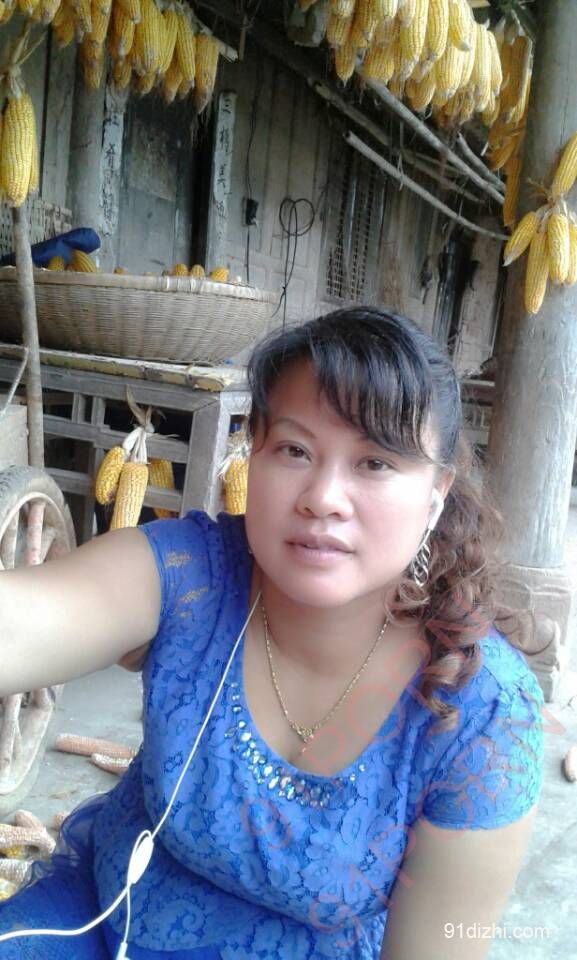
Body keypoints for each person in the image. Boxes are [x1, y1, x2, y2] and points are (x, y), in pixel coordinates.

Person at [0, 306, 544, 960]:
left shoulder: (481, 713)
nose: (323, 497)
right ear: (252, 454)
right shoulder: (188, 577)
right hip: (101, 918)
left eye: (375, 462)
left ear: (434, 496)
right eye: (294, 450)